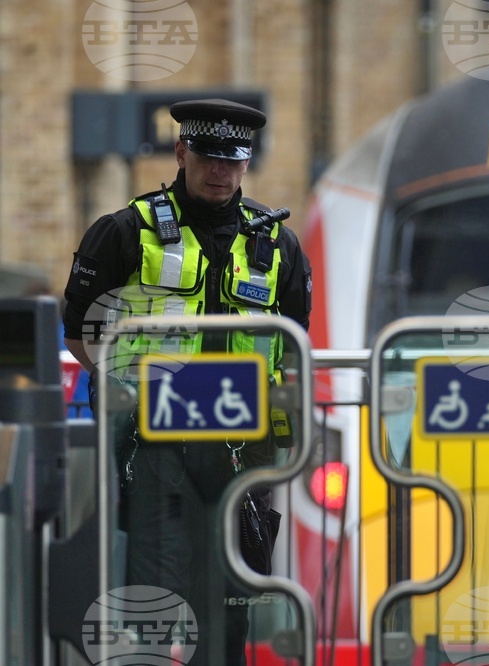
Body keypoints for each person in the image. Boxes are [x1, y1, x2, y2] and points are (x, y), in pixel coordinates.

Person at [62, 98, 311, 665]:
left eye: (233, 159)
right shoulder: (126, 231)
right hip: (153, 451)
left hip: (243, 455)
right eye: (207, 156)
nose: (219, 171)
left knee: (230, 608)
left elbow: (293, 344)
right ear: (181, 152)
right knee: (151, 605)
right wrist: (123, 396)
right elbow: (77, 330)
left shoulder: (278, 245)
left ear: (247, 164)